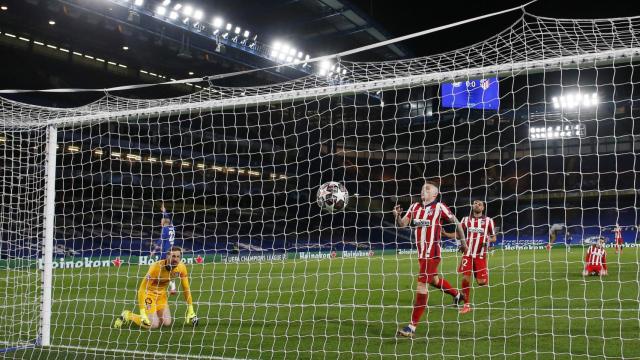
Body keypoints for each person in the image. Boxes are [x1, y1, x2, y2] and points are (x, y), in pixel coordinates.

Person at [394, 182, 468, 338]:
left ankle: (411, 327)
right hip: (421, 255)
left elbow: (457, 223)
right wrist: (397, 216)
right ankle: (457, 295)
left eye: (427, 189)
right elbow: (402, 225)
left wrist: (463, 243)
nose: (423, 191)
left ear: (435, 195)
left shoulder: (440, 207)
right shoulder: (414, 207)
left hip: (432, 254)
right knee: (434, 280)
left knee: (421, 285)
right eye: (422, 189)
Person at [113, 246, 198, 329]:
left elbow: (186, 288)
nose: (175, 259)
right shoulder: (156, 267)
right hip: (149, 295)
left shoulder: (181, 267)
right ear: (167, 256)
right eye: (173, 256)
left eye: (178, 257)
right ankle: (128, 315)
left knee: (167, 323)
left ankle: (152, 315)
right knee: (154, 325)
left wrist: (191, 309)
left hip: (161, 296)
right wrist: (142, 312)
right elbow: (142, 288)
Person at [443, 200, 496, 314]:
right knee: (465, 278)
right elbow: (458, 235)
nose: (476, 205)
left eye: (479, 204)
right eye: (475, 203)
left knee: (481, 282)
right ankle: (466, 305)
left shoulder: (488, 221)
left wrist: (487, 241)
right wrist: (445, 234)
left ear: (483, 208)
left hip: (480, 255)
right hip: (467, 253)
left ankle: (476, 276)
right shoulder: (465, 220)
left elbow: (493, 238)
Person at [151, 203, 177, 295]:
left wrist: (154, 251)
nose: (160, 223)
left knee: (162, 269)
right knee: (168, 269)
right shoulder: (172, 227)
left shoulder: (165, 229)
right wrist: (164, 211)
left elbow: (160, 241)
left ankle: (164, 286)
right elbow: (168, 218)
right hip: (173, 251)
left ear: (163, 223)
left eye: (161, 221)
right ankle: (172, 287)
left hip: (166, 252)